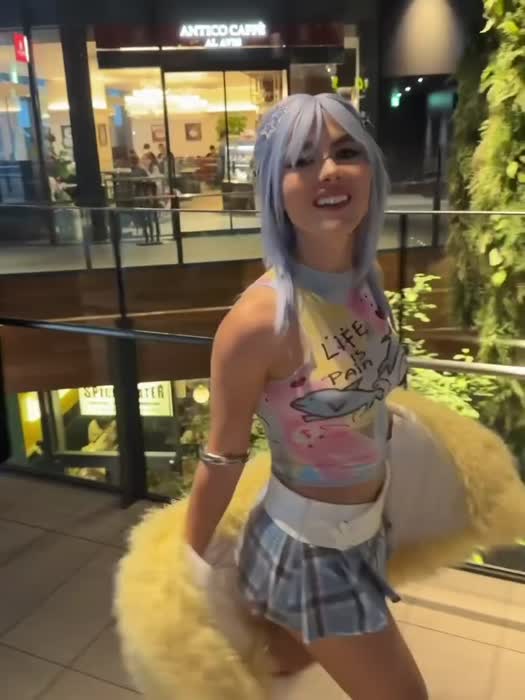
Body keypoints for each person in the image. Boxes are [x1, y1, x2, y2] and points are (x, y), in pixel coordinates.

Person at [184, 93, 428, 699]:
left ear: (371, 167)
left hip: (364, 530)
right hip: (310, 550)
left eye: (346, 152)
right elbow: (222, 456)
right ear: (275, 185)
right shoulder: (258, 322)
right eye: (301, 160)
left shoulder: (366, 282)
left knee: (278, 670)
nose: (328, 171)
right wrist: (182, 573)